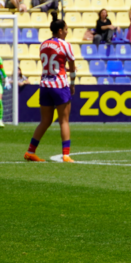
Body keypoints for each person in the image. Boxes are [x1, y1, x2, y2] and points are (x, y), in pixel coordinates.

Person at [25, 19, 75, 163]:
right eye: (66, 29)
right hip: (59, 86)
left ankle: (30, 152)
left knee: (45, 121)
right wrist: (72, 83)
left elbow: (52, 64)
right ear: (60, 30)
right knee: (64, 121)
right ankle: (66, 155)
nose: (67, 32)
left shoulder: (43, 44)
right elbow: (71, 67)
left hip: (45, 85)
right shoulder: (65, 44)